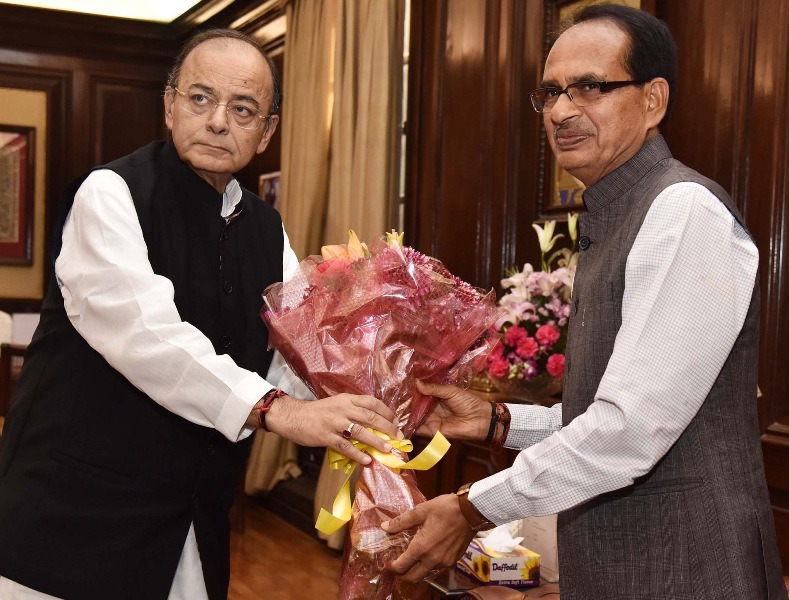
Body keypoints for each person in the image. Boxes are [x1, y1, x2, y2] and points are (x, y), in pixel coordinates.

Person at [383, 5, 787, 599]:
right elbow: (606, 410)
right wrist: (499, 421)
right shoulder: (618, 212)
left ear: (653, 100)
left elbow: (629, 431)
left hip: (685, 569)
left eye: (591, 87)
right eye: (550, 92)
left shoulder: (682, 211)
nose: (562, 110)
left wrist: (471, 506)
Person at [0, 29, 401, 600]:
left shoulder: (267, 229)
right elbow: (146, 337)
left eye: (243, 109)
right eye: (200, 99)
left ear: (267, 133)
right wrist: (275, 410)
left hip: (189, 525)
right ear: (168, 106)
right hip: (72, 523)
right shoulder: (111, 193)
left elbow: (291, 354)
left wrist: (379, 391)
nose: (218, 121)